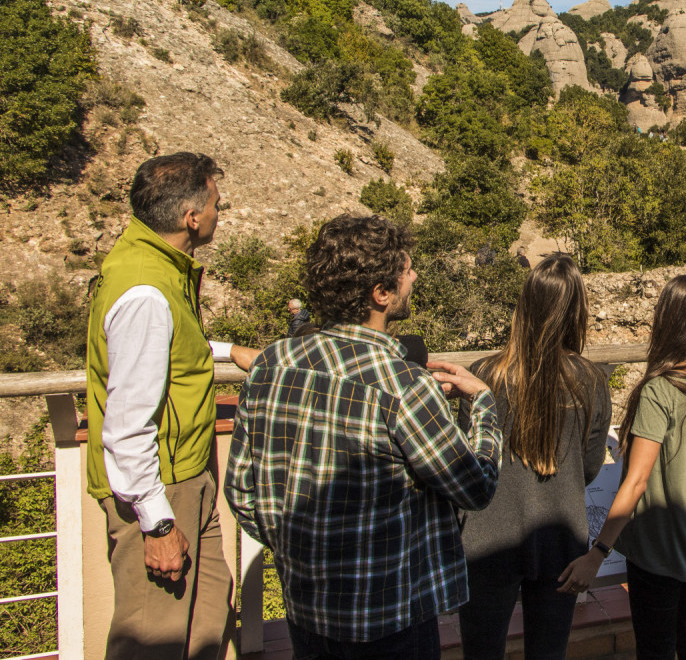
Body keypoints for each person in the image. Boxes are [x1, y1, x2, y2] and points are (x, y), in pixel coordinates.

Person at [225, 214, 503, 660]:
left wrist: (303, 557)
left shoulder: (271, 364)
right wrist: (484, 404)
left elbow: (241, 489)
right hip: (390, 620)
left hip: (306, 612)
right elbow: (476, 487)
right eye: (406, 270)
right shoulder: (402, 386)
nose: (414, 277)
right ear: (381, 292)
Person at [85, 151, 260, 660]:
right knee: (152, 638)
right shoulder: (145, 290)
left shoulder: (155, 270)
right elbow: (126, 423)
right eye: (215, 206)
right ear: (191, 217)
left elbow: (164, 350)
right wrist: (157, 524)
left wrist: (228, 352)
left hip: (185, 474)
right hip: (160, 488)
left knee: (206, 622)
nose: (217, 215)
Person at [560, 275, 686, 660]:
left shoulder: (661, 390)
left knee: (655, 647)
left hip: (661, 548)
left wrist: (598, 553)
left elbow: (636, 480)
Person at [457, 254, 611, 660]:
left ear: (523, 307)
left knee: (481, 652)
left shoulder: (483, 375)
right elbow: (591, 468)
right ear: (576, 311)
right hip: (561, 539)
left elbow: (467, 461)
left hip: (487, 539)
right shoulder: (593, 381)